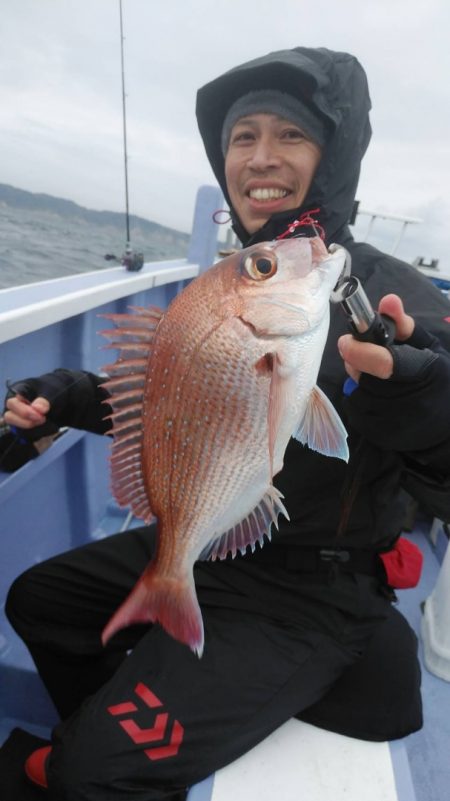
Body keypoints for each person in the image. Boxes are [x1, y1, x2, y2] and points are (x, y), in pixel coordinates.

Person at [3, 46, 450, 801]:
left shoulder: (396, 296)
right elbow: (182, 407)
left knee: (90, 775)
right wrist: (68, 394)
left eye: (290, 136)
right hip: (214, 529)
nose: (261, 157)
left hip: (314, 589)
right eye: (243, 137)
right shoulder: (229, 280)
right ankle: (125, 712)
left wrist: (425, 400)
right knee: (37, 599)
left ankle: (105, 749)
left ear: (333, 155)